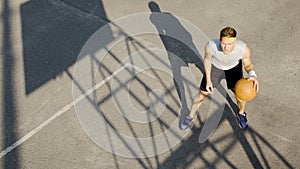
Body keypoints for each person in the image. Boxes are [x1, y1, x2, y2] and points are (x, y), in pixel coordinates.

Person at [180, 26, 259, 130]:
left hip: (233, 69)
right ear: (220, 40)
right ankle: (189, 116)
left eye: (230, 44)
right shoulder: (211, 46)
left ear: (234, 42)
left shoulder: (243, 49)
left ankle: (241, 114)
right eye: (224, 44)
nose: (226, 48)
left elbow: (248, 64)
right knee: (202, 94)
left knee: (241, 96)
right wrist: (208, 80)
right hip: (215, 68)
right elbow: (207, 61)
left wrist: (253, 75)